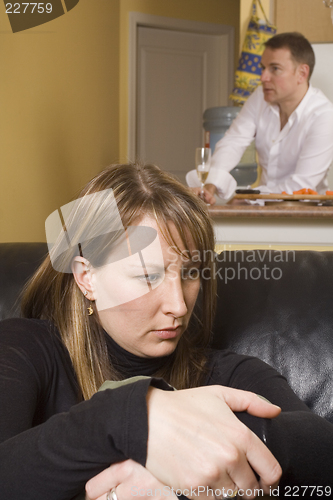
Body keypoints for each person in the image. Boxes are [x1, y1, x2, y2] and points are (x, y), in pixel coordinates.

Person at [0, 163, 332, 500]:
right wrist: (131, 417)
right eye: (148, 276)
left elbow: (322, 453)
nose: (179, 305)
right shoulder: (23, 349)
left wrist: (182, 468)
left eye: (190, 273)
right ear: (88, 277)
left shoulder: (227, 374)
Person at [186, 32, 333, 205]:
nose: (263, 77)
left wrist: (249, 198)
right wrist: (210, 185)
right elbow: (233, 142)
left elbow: (301, 185)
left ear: (302, 73)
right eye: (263, 68)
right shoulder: (260, 97)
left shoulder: (325, 116)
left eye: (275, 69)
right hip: (263, 211)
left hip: (306, 215)